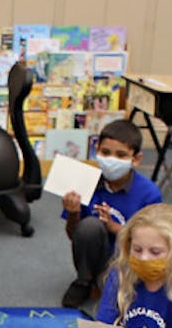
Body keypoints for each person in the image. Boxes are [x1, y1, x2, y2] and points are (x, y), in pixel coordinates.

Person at [60, 118, 163, 310]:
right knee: (89, 225)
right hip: (98, 256)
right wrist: (73, 214)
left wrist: (114, 227)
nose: (112, 160)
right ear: (96, 150)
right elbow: (75, 236)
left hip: (130, 262)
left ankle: (110, 284)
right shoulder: (86, 182)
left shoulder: (149, 194)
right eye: (105, 152)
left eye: (121, 155)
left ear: (136, 159)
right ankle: (84, 281)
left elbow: (154, 245)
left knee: (120, 300)